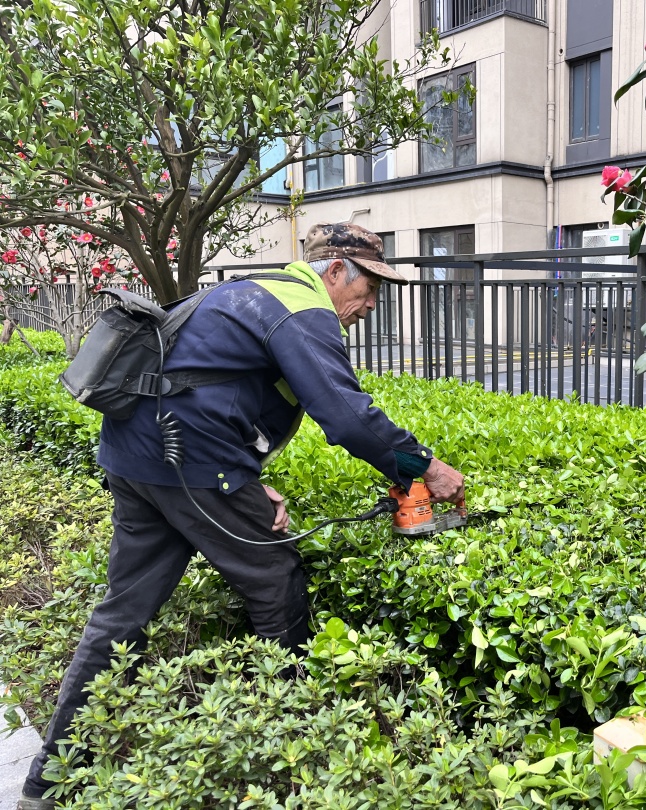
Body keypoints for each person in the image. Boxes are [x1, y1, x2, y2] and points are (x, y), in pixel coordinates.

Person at [18, 222, 465, 809]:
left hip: (137, 458)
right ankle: (296, 751)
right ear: (335, 271)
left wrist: (245, 483)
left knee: (119, 616)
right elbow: (348, 417)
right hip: (188, 462)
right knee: (277, 583)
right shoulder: (302, 308)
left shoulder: (253, 292)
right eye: (369, 288)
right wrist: (425, 466)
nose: (371, 305)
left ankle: (43, 785)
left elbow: (207, 387)